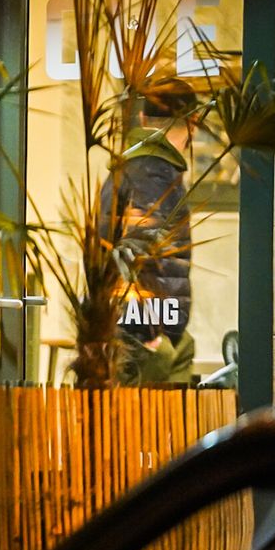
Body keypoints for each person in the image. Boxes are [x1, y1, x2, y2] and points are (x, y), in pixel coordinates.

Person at [101, 77, 198, 385]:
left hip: (136, 332)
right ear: (194, 123)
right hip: (144, 342)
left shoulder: (135, 167)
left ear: (143, 118)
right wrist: (152, 336)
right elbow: (139, 256)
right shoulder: (153, 172)